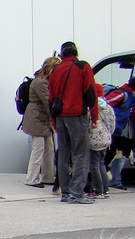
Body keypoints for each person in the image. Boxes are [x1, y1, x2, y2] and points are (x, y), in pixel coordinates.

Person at [48, 41, 98, 204]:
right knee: (80, 154)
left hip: (60, 116)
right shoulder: (83, 67)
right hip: (77, 114)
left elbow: (51, 98)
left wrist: (54, 121)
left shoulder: (55, 70)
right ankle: (77, 193)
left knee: (63, 154)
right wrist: (95, 117)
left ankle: (65, 192)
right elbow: (90, 92)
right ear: (76, 52)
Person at [22, 56, 60, 188]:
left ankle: (48, 177)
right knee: (38, 149)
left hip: (42, 118)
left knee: (49, 149)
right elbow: (48, 102)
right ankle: (31, 178)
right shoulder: (41, 82)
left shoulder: (43, 81)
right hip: (37, 118)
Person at [103, 76, 135, 190]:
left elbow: (133, 113)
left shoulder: (131, 99)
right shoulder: (121, 94)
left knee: (118, 154)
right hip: (107, 131)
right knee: (106, 156)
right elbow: (103, 103)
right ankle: (103, 181)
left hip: (116, 131)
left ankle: (115, 181)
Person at [87, 83, 115, 199]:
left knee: (94, 165)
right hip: (105, 139)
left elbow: (87, 124)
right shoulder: (108, 107)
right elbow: (112, 124)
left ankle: (99, 190)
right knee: (101, 164)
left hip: (94, 140)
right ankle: (105, 189)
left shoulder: (91, 107)